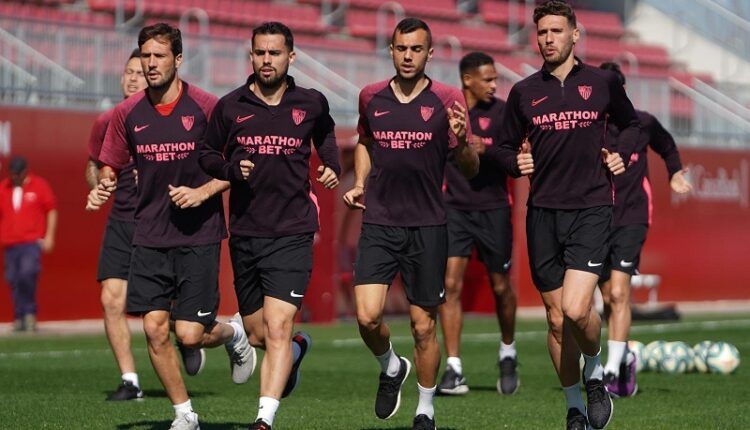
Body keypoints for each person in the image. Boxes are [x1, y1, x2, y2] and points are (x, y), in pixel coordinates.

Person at [87, 23, 255, 430]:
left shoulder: (208, 107)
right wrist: (102, 188)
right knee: (154, 326)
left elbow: (241, 165)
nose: (150, 64)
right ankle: (184, 415)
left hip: (199, 233)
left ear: (178, 60)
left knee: (190, 334)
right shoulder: (127, 114)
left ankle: (233, 334)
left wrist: (203, 193)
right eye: (145, 56)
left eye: (159, 56)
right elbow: (109, 166)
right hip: (149, 233)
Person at [488, 2, 640, 429]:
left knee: (576, 310)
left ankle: (595, 374)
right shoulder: (522, 92)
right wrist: (512, 163)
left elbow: (633, 127)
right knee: (556, 322)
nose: (548, 38)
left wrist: (622, 155)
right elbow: (501, 147)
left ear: (575, 34)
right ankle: (574, 406)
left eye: (556, 30)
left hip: (591, 207)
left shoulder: (603, 82)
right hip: (542, 215)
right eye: (542, 32)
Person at [199, 21, 340, 430]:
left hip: (293, 231)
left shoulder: (311, 102)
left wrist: (332, 165)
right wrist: (229, 168)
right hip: (245, 232)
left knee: (278, 326)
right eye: (259, 52)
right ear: (251, 56)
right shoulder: (231, 106)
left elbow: (327, 136)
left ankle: (264, 420)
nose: (266, 60)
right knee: (261, 333)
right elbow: (206, 153)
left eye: (274, 53)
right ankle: (296, 351)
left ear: (290, 57)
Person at [342, 18, 479, 430]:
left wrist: (461, 141)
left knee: (423, 327)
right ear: (391, 50)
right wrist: (361, 182)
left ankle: (425, 408)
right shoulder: (371, 97)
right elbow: (364, 143)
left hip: (428, 227)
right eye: (401, 48)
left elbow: (470, 169)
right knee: (367, 318)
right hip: (380, 223)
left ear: (429, 53)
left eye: (416, 49)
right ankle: (390, 366)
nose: (407, 56)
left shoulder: (449, 99)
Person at [597, 62, 692, 398]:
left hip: (633, 217)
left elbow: (667, 146)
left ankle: (610, 370)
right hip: (595, 219)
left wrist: (675, 173)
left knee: (620, 292)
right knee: (607, 297)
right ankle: (624, 357)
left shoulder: (643, 123)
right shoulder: (589, 128)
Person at [437, 51, 519, 397]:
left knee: (500, 287)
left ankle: (508, 350)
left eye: (495, 79)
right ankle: (454, 367)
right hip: (453, 209)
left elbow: (512, 155)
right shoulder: (447, 114)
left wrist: (482, 148)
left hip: (494, 208)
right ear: (467, 79)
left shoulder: (503, 114)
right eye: (487, 79)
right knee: (450, 285)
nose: (493, 85)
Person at [85, 49, 150, 401]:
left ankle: (197, 339)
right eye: (128, 72)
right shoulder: (105, 121)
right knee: (111, 299)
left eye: (139, 73)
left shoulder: (163, 119)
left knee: (171, 319)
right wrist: (98, 184)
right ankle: (130, 381)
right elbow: (92, 165)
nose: (132, 78)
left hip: (160, 224)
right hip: (122, 221)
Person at [0, 156, 57, 332]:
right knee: (13, 278)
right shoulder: (4, 188)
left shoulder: (39, 186)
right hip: (10, 242)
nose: (14, 177)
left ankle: (29, 313)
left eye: (17, 173)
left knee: (27, 274)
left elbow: (51, 210)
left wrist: (49, 236)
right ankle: (19, 316)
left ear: (25, 172)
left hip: (31, 242)